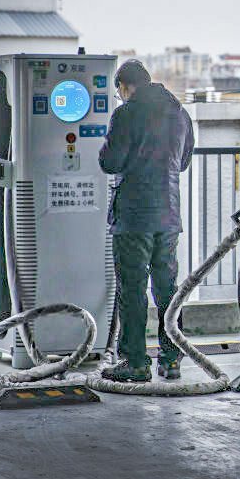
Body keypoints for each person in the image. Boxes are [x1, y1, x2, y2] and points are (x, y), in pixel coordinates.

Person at [98, 60, 194, 382]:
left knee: (133, 289)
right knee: (168, 289)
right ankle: (172, 360)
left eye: (120, 92)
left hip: (134, 216)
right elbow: (182, 163)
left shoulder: (125, 114)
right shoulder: (179, 114)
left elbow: (110, 162)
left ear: (125, 87)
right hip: (168, 214)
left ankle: (136, 362)